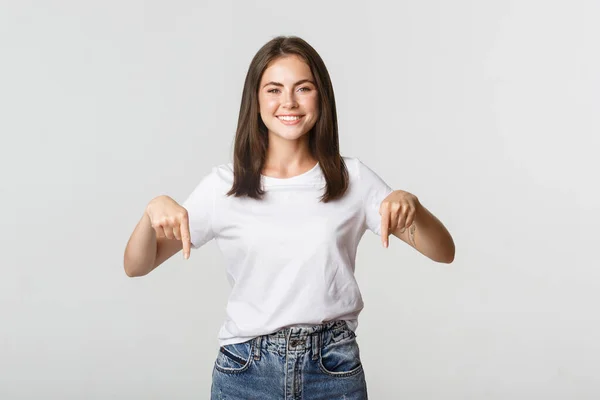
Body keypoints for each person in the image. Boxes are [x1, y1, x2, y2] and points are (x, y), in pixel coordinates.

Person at [123, 35, 455, 400]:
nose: (289, 103)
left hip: (332, 369)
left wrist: (414, 206)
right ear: (257, 100)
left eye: (303, 88)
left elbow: (443, 251)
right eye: (274, 90)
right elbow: (137, 265)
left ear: (320, 96)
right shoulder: (223, 186)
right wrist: (150, 212)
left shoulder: (351, 180)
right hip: (246, 371)